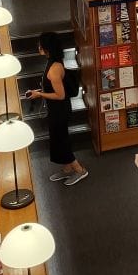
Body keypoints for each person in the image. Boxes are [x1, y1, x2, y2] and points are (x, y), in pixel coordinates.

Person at [25, 32, 88, 186]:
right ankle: (67, 169)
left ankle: (79, 170)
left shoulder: (54, 68)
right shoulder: (53, 61)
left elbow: (60, 95)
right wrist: (39, 92)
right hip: (57, 109)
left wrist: (39, 95)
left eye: (40, 44)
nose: (38, 47)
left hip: (60, 110)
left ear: (46, 48)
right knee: (57, 138)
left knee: (61, 140)